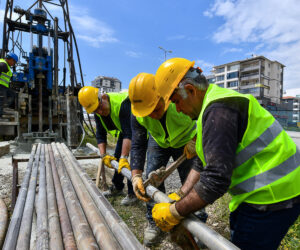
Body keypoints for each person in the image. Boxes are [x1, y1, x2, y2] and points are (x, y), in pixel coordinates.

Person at [151, 57, 300, 250]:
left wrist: (174, 211)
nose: (177, 110)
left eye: (177, 101)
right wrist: (181, 194)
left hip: (272, 196)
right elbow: (202, 164)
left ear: (190, 90)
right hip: (273, 191)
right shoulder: (210, 106)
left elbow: (215, 181)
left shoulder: (218, 111)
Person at [128, 72, 206, 246]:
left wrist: (196, 140)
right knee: (151, 180)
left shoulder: (179, 100)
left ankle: (199, 222)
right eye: (149, 112)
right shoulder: (137, 113)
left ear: (164, 96)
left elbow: (204, 118)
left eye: (156, 109)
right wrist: (135, 175)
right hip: (159, 142)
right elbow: (138, 144)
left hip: (187, 140)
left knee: (192, 182)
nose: (154, 115)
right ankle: (154, 222)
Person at [78, 86, 137, 206]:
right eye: (95, 111)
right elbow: (100, 134)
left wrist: (124, 158)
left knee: (133, 160)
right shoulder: (97, 110)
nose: (99, 112)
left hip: (138, 130)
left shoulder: (123, 103)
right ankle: (117, 186)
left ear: (103, 97)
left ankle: (133, 193)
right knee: (117, 156)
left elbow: (129, 133)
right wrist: (104, 154)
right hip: (125, 131)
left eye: (100, 107)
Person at [0, 52, 18, 119]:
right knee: (1, 99)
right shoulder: (3, 65)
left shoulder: (5, 64)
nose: (14, 64)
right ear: (11, 59)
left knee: (12, 94)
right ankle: (0, 113)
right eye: (14, 62)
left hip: (4, 86)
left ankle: (4, 109)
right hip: (1, 85)